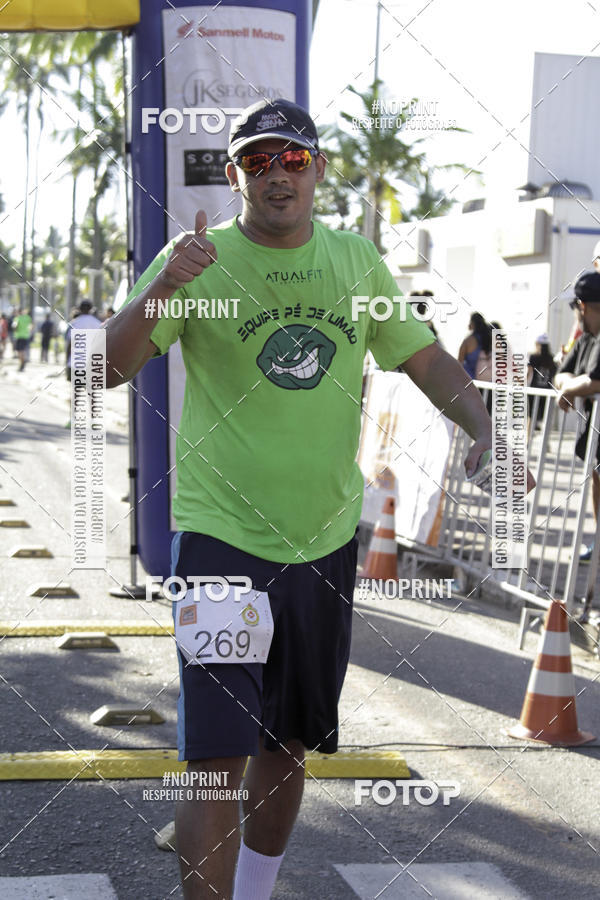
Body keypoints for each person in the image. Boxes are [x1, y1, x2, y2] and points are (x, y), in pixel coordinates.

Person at [105, 98, 497, 900]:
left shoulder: (353, 260)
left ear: (318, 169)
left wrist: (488, 428)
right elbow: (107, 368)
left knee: (286, 746)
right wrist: (161, 288)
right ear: (234, 173)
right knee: (215, 760)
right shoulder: (197, 259)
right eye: (256, 160)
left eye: (292, 158)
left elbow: (423, 361)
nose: (276, 173)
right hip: (220, 541)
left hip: (321, 543)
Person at [555, 271, 600, 564]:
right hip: (594, 436)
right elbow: (560, 374)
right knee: (597, 480)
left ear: (582, 306)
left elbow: (597, 382)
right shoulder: (586, 339)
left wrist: (573, 386)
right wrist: (571, 384)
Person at [65, 300, 101, 381]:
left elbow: (70, 344)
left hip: (75, 363)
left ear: (79, 309)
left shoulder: (74, 323)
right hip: (92, 363)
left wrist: (67, 361)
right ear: (91, 309)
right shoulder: (98, 323)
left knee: (76, 390)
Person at [527, 334, 557, 428]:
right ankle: (545, 441)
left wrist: (521, 383)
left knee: (531, 416)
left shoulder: (533, 357)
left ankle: (528, 440)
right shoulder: (552, 358)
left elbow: (528, 373)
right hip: (547, 391)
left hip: (534, 390)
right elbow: (554, 376)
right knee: (545, 417)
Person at [458, 312, 492, 381]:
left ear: (473, 324)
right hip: (487, 380)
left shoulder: (468, 341)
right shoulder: (488, 339)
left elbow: (459, 362)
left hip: (470, 380)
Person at [12, 307, 33, 372]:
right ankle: (22, 363)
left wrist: (15, 329)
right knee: (23, 350)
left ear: (18, 312)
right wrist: (29, 332)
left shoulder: (17, 318)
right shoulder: (28, 317)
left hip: (19, 336)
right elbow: (31, 326)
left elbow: (14, 326)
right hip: (26, 336)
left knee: (19, 351)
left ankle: (22, 364)